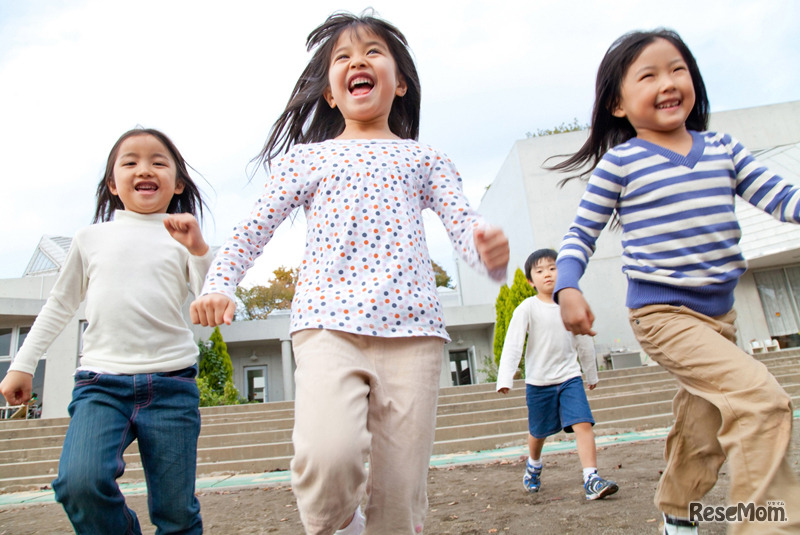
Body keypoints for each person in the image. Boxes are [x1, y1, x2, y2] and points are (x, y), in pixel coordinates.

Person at [190, 11, 509, 535]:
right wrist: (220, 282)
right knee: (326, 459)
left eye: (373, 52)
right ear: (332, 95)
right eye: (343, 57)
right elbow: (252, 230)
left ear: (400, 83)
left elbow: (464, 228)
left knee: (401, 497)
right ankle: (342, 525)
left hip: (414, 334)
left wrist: (487, 255)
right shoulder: (306, 160)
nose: (358, 61)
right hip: (327, 325)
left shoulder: (425, 158)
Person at [550, 28, 800, 535]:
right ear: (618, 105)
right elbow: (580, 234)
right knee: (763, 402)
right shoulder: (621, 163)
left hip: (719, 319)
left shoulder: (722, 149)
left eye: (678, 69)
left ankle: (679, 513)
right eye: (649, 75)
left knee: (703, 424)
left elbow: (781, 196)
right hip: (663, 317)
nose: (668, 82)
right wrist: (568, 286)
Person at [0, 128, 212, 534]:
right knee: (78, 483)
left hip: (171, 388)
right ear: (113, 184)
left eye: (158, 161)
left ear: (178, 182)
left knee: (176, 514)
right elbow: (60, 304)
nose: (144, 169)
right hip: (101, 386)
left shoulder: (185, 237)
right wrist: (23, 364)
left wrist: (200, 251)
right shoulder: (91, 238)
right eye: (130, 162)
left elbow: (211, 301)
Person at [496, 249, 618, 500]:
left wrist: (590, 374)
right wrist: (505, 377)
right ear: (531, 280)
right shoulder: (527, 307)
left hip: (570, 377)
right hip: (539, 382)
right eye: (539, 271)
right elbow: (513, 343)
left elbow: (584, 340)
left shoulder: (569, 306)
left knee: (583, 423)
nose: (547, 274)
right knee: (538, 432)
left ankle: (591, 478)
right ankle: (534, 464)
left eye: (552, 268)